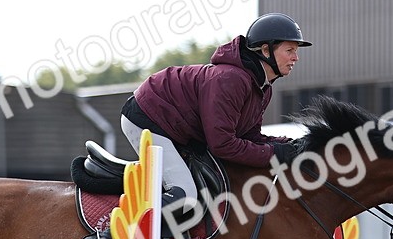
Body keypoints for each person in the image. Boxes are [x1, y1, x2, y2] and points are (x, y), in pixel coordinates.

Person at [120, 13, 312, 218]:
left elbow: (251, 138)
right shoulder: (231, 80)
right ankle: (110, 237)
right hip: (149, 118)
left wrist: (291, 146)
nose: (295, 57)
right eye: (290, 50)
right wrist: (275, 154)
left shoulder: (262, 87)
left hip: (175, 127)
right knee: (185, 197)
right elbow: (222, 145)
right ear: (266, 50)